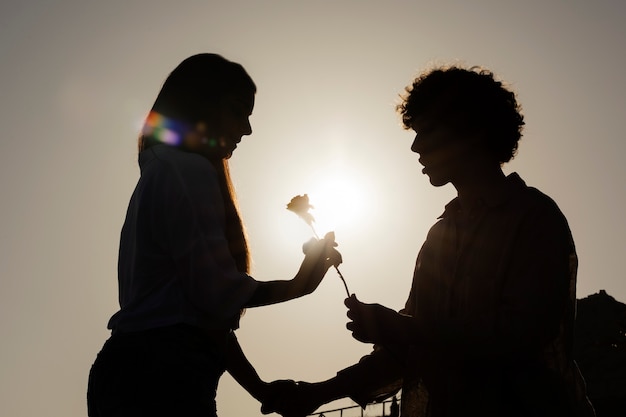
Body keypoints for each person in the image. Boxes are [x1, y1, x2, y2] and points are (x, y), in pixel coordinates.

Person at [266, 65, 595, 417]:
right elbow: (412, 350)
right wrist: (317, 393)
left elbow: (522, 336)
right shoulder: (440, 236)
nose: (415, 146)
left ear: (470, 130)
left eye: (428, 132)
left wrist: (404, 328)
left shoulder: (534, 218)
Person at [86, 53, 341, 417]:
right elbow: (215, 295)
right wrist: (299, 284)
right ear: (201, 106)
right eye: (238, 111)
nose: (247, 129)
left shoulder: (161, 173)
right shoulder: (187, 172)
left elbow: (200, 315)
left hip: (137, 372)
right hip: (161, 379)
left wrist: (260, 389)